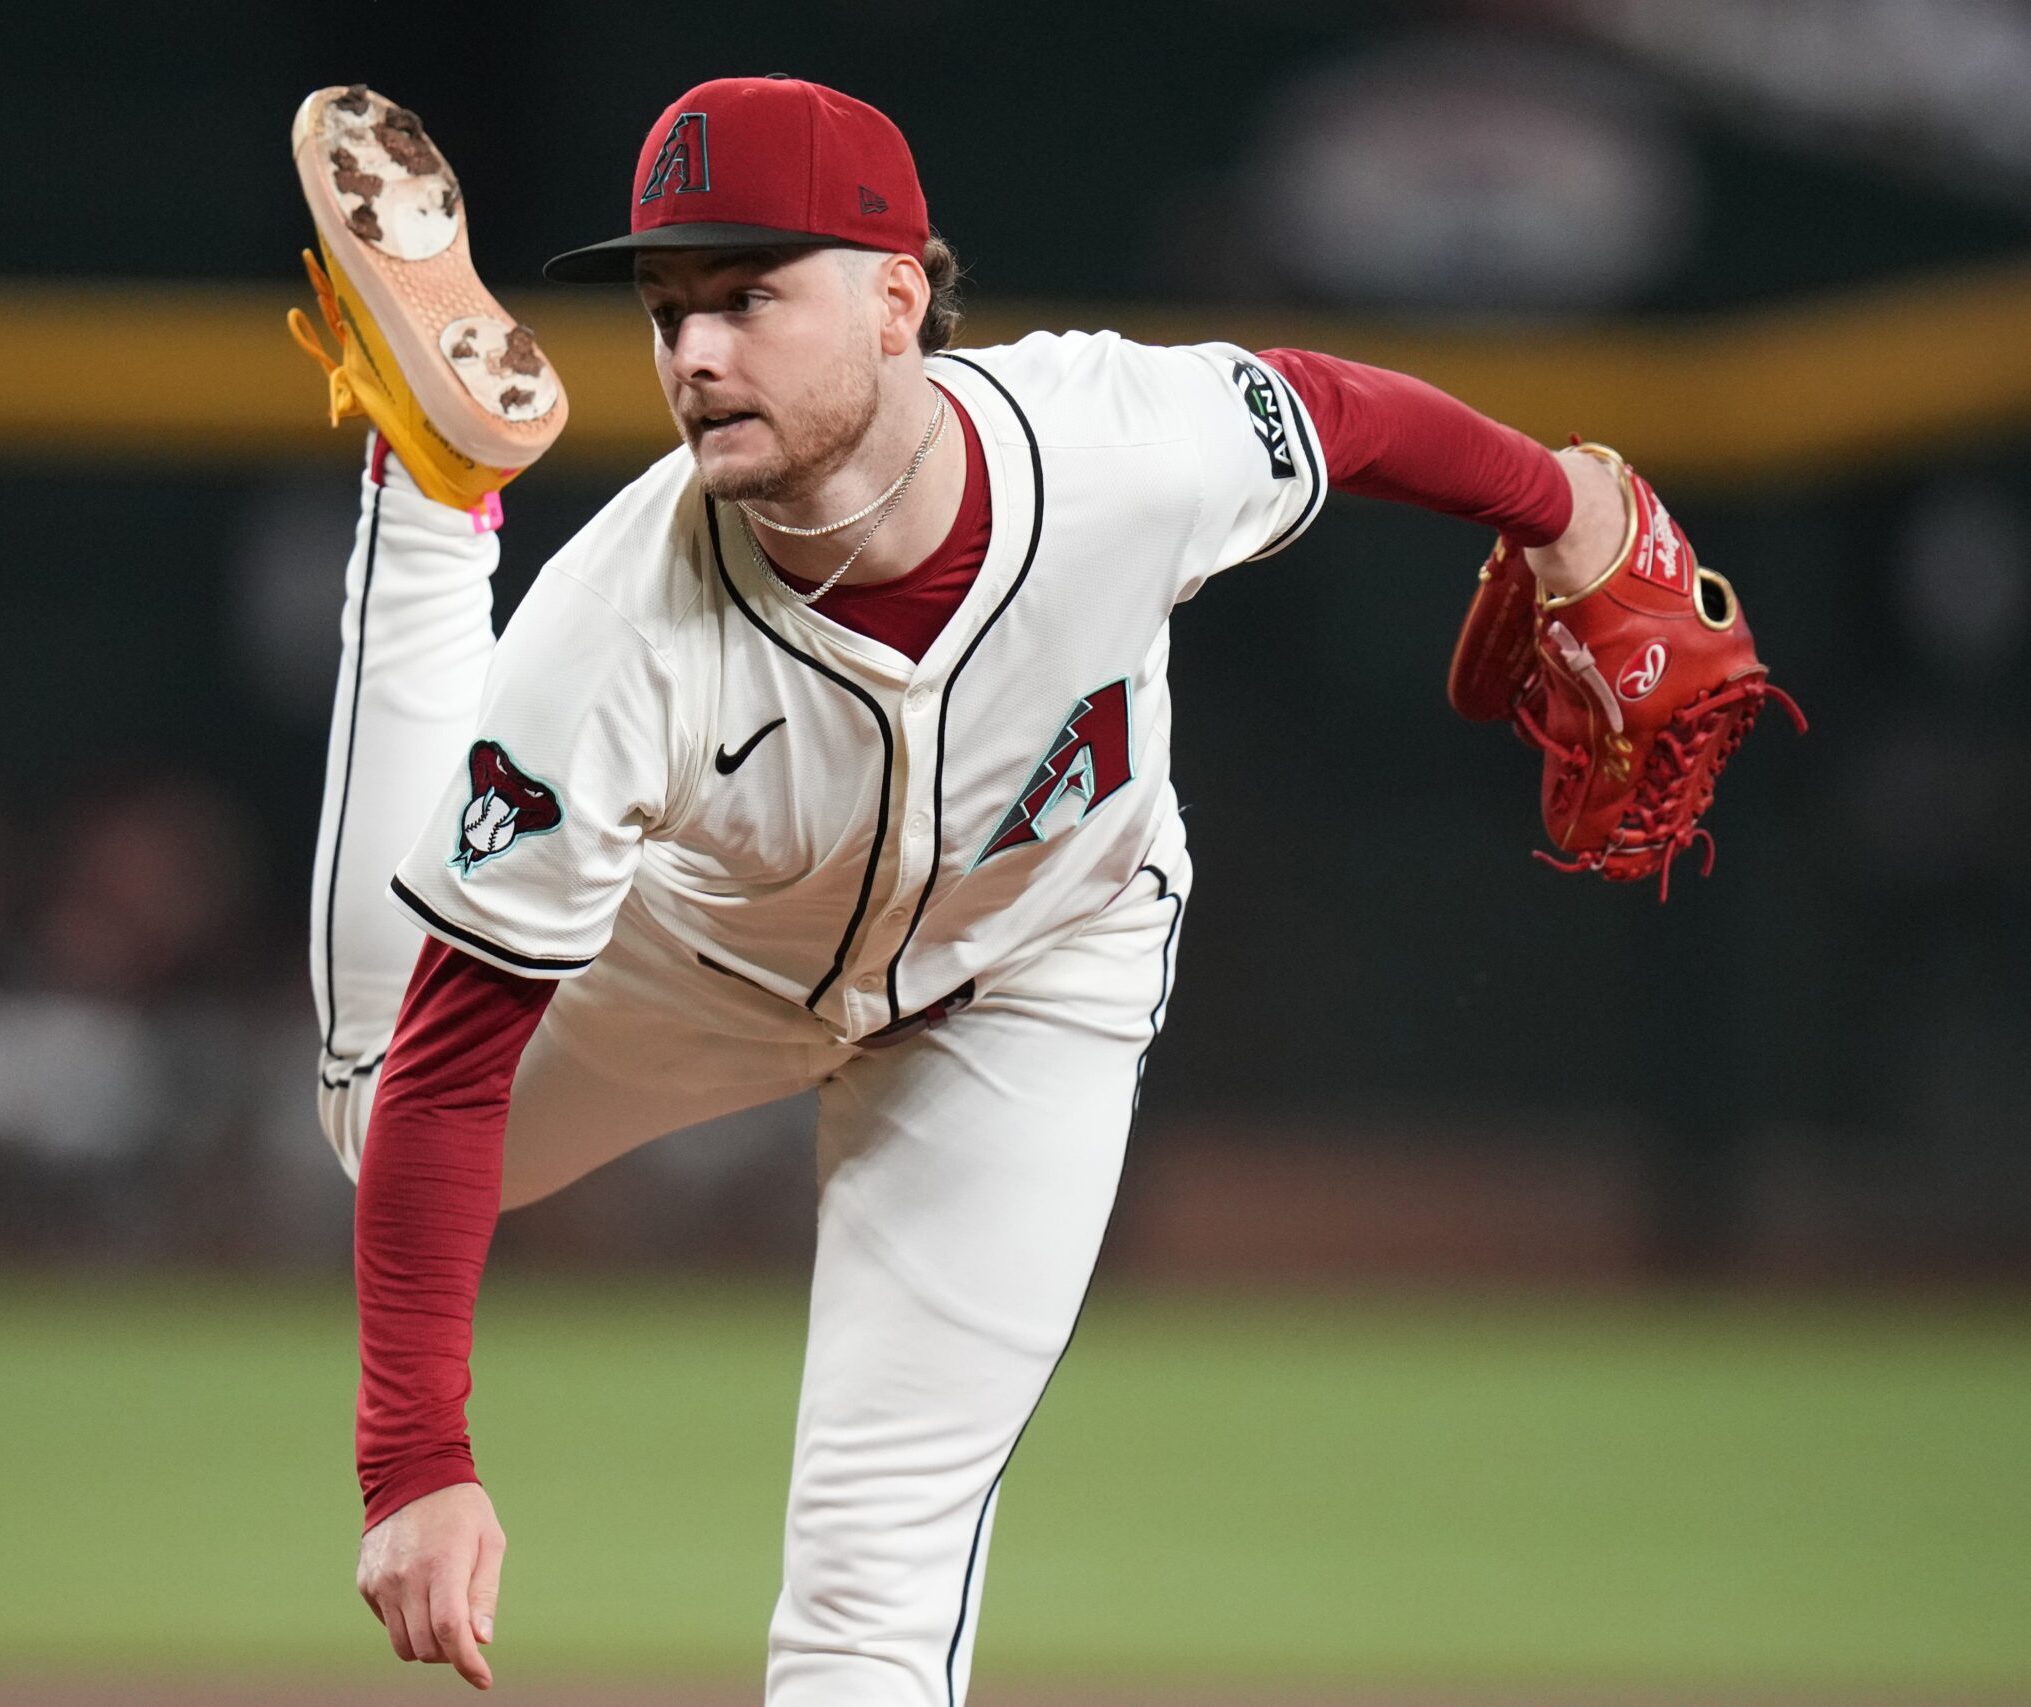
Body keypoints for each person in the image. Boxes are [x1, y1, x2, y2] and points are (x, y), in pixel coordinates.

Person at [287, 76, 1629, 1703]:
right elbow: (449, 1066)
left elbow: (1339, 413)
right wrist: (413, 1463)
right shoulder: (612, 632)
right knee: (384, 1129)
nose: (696, 353)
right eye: (667, 309)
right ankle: (433, 492)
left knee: (879, 1591)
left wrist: (1565, 510)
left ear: (899, 295)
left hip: (1035, 974)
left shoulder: (1119, 446)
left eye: (749, 296)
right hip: (704, 972)